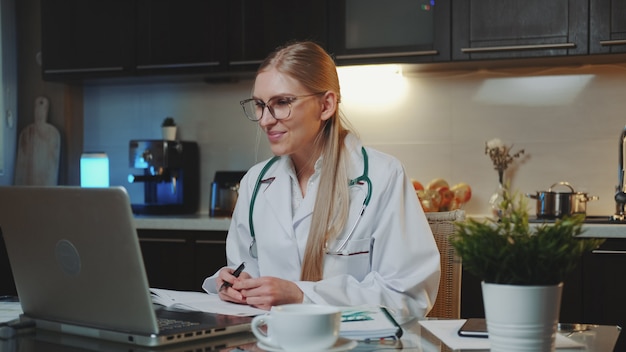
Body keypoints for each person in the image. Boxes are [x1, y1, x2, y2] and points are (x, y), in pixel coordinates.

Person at [202, 41, 440, 319]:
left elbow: (409, 297)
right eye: (259, 105)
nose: (266, 120)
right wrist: (235, 286)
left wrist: (302, 296)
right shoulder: (256, 182)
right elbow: (247, 272)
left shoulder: (383, 176)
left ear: (326, 105)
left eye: (281, 103)